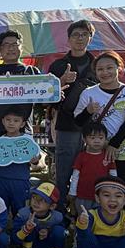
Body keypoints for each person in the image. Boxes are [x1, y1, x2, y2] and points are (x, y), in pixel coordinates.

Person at [73, 50, 125, 181]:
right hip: (97, 150)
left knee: (121, 185)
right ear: (95, 72)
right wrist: (88, 111)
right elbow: (78, 122)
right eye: (100, 69)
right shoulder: (88, 93)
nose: (105, 72)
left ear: (119, 68)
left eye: (109, 68)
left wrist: (114, 144)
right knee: (96, 185)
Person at [46, 20, 98, 202]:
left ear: (90, 38)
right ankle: (60, 211)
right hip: (67, 125)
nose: (80, 38)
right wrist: (61, 81)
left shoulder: (99, 64)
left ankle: (87, 213)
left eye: (84, 34)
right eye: (76, 34)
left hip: (94, 127)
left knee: (91, 172)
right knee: (63, 172)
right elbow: (46, 98)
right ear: (68, 39)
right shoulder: (58, 65)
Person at [0, 30, 43, 136]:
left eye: (15, 44)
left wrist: (55, 91)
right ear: (0, 49)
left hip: (23, 130)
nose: (11, 48)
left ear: (21, 47)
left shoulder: (32, 71)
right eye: (6, 45)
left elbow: (44, 100)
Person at [0, 105, 39, 213]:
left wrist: (35, 160)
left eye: (16, 121)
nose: (11, 123)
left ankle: (20, 224)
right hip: (2, 180)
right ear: (3, 121)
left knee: (20, 211)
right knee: (0, 210)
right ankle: (1, 224)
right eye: (8, 120)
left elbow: (35, 160)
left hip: (21, 180)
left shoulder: (28, 140)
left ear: (22, 124)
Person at [68, 122, 118, 215]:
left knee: (100, 218)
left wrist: (114, 190)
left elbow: (113, 175)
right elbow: (75, 176)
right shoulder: (81, 156)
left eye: (101, 138)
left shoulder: (108, 155)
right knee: (84, 218)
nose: (97, 141)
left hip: (102, 196)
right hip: (83, 195)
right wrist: (72, 192)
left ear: (105, 139)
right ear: (84, 139)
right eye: (92, 138)